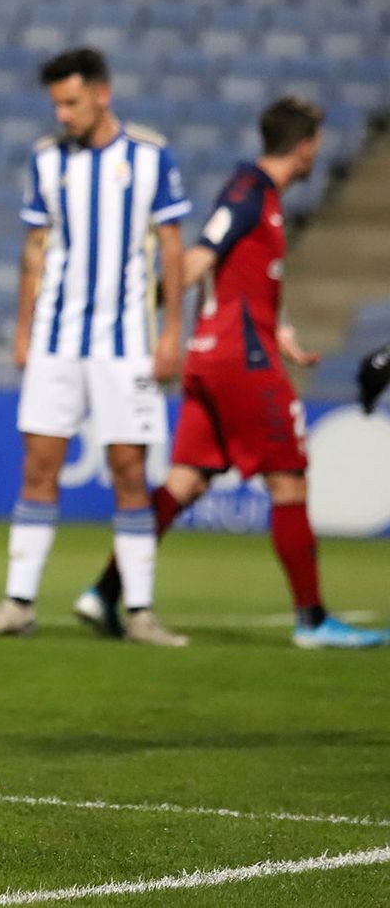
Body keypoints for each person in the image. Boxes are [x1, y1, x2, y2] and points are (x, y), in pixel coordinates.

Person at [77, 98, 388, 650]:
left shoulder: (261, 198)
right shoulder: (248, 191)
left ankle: (104, 590)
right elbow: (200, 256)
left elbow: (243, 279)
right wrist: (146, 302)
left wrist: (280, 330)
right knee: (288, 478)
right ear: (306, 146)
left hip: (218, 355)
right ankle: (313, 620)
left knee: (185, 481)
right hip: (239, 363)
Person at [0, 47, 189, 646]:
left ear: (102, 95)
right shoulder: (47, 160)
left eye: (71, 102)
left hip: (127, 342)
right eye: (56, 103)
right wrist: (23, 328)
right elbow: (34, 249)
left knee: (130, 471)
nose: (62, 114)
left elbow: (170, 247)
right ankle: (18, 604)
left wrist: (171, 333)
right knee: (39, 466)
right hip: (58, 340)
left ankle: (139, 611)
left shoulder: (150, 156)